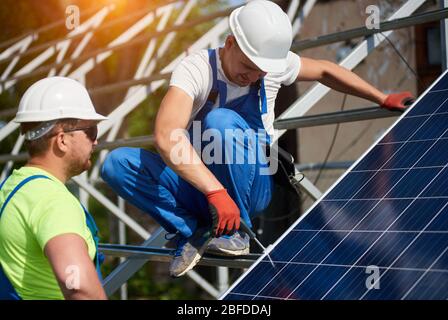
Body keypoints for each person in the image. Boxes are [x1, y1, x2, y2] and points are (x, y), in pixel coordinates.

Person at [101, 0, 414, 277]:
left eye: (260, 72)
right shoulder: (196, 69)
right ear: (230, 43)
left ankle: (234, 232)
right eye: (248, 67)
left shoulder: (272, 67)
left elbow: (325, 71)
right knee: (117, 164)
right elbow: (167, 134)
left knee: (219, 121)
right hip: (204, 187)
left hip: (252, 183)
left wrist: (380, 97)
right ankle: (194, 230)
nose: (251, 77)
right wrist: (213, 192)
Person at [0, 76, 108, 300]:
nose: (95, 142)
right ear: (62, 140)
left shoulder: (11, 187)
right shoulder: (52, 201)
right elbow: (80, 288)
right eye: (91, 131)